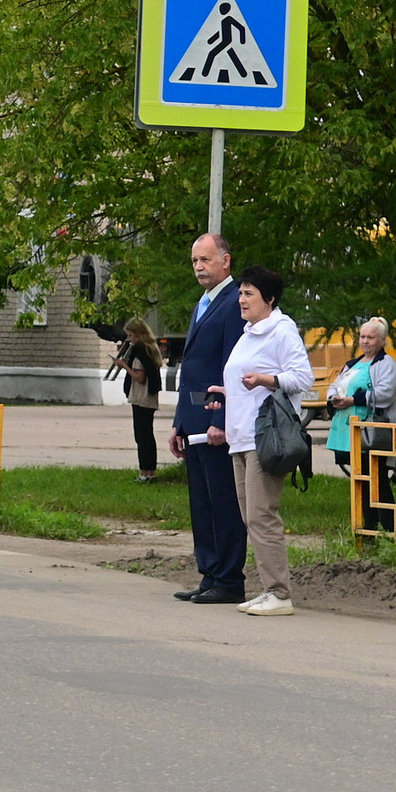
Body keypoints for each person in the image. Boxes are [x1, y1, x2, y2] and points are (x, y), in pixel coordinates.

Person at [216, 265, 313, 616]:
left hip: (265, 438)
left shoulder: (281, 331)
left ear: (269, 299)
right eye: (240, 293)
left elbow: (303, 377)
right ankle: (269, 588)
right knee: (250, 517)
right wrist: (227, 392)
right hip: (241, 437)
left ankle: (279, 592)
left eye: (248, 294)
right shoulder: (250, 332)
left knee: (262, 515)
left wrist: (266, 379)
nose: (241, 299)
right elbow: (247, 380)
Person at [172, 233, 249, 605]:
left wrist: (222, 419)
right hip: (194, 418)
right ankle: (209, 573)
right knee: (201, 502)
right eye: (195, 262)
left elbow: (227, 368)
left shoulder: (234, 303)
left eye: (205, 260)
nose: (199, 268)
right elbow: (192, 370)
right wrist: (179, 422)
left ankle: (230, 579)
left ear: (225, 261)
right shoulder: (204, 302)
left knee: (222, 500)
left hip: (217, 420)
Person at [325, 317, 396, 530]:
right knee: (361, 480)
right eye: (362, 336)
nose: (365, 341)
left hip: (373, 433)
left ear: (382, 341)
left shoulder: (386, 364)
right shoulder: (353, 364)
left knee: (378, 480)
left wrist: (354, 399)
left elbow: (385, 394)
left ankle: (388, 528)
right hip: (350, 432)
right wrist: (333, 399)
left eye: (370, 337)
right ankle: (367, 528)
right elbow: (336, 385)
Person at [107, 320, 165, 482]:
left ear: (139, 334)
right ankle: (149, 471)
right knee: (147, 435)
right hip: (149, 397)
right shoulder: (151, 349)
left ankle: (145, 472)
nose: (130, 339)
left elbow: (139, 377)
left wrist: (124, 366)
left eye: (131, 335)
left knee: (142, 436)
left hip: (142, 396)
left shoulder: (140, 351)